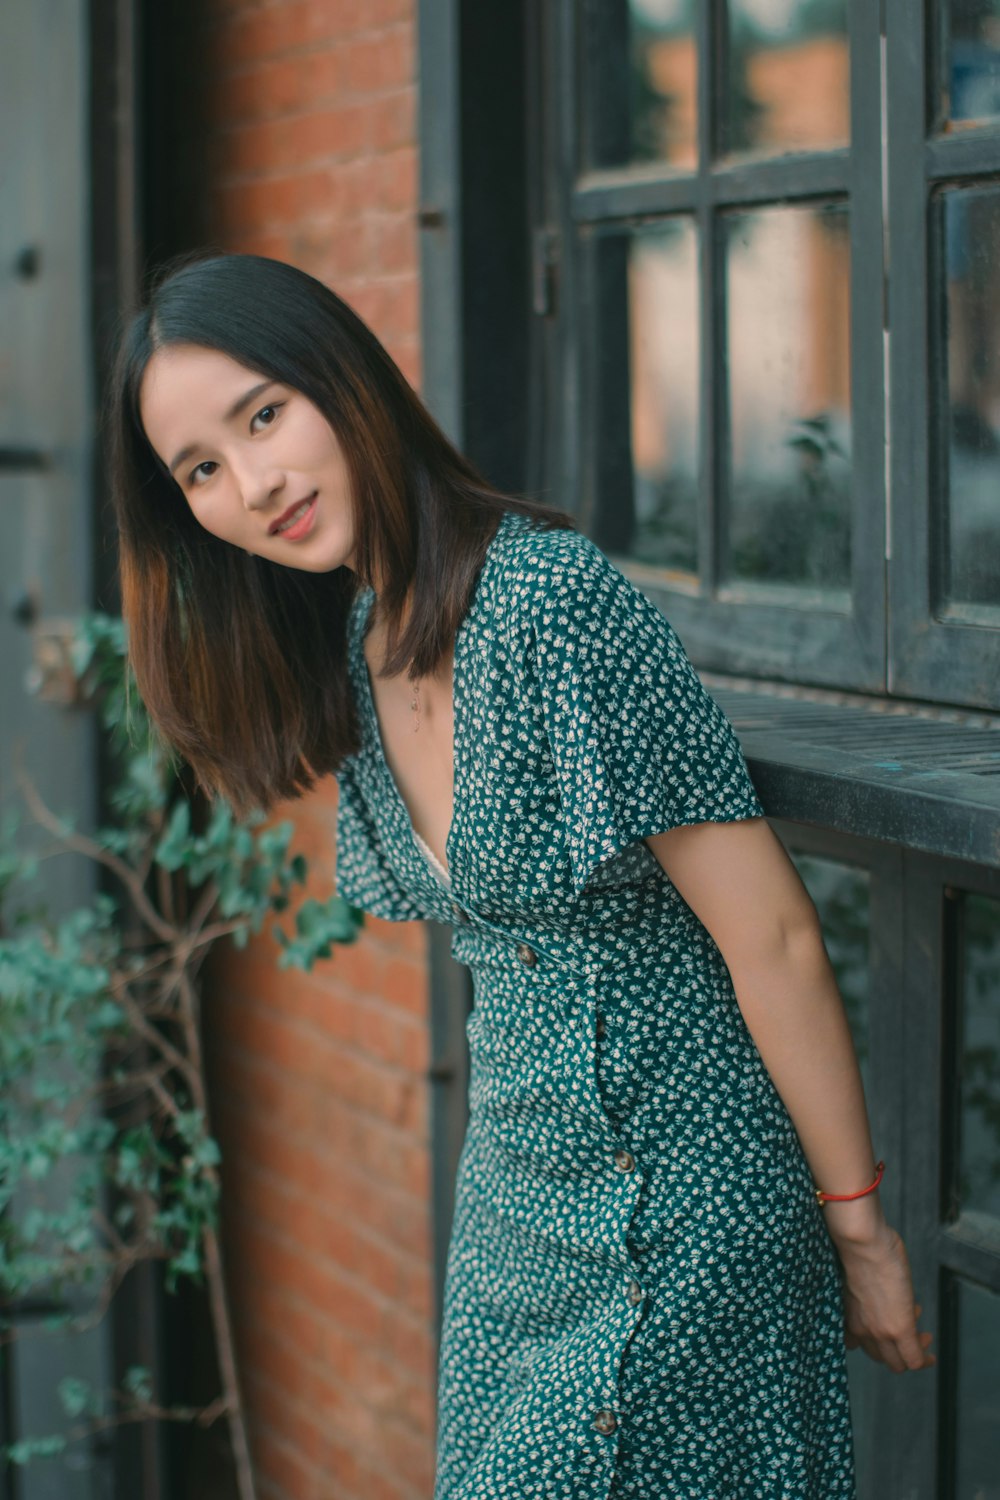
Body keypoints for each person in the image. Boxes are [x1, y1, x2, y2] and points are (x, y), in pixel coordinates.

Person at [109, 251, 934, 1499]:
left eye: (263, 414)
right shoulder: (362, 632)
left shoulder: (548, 600)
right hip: (514, 1218)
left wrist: (858, 1227)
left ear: (343, 380)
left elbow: (772, 939)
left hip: (684, 1199)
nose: (255, 483)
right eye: (202, 472)